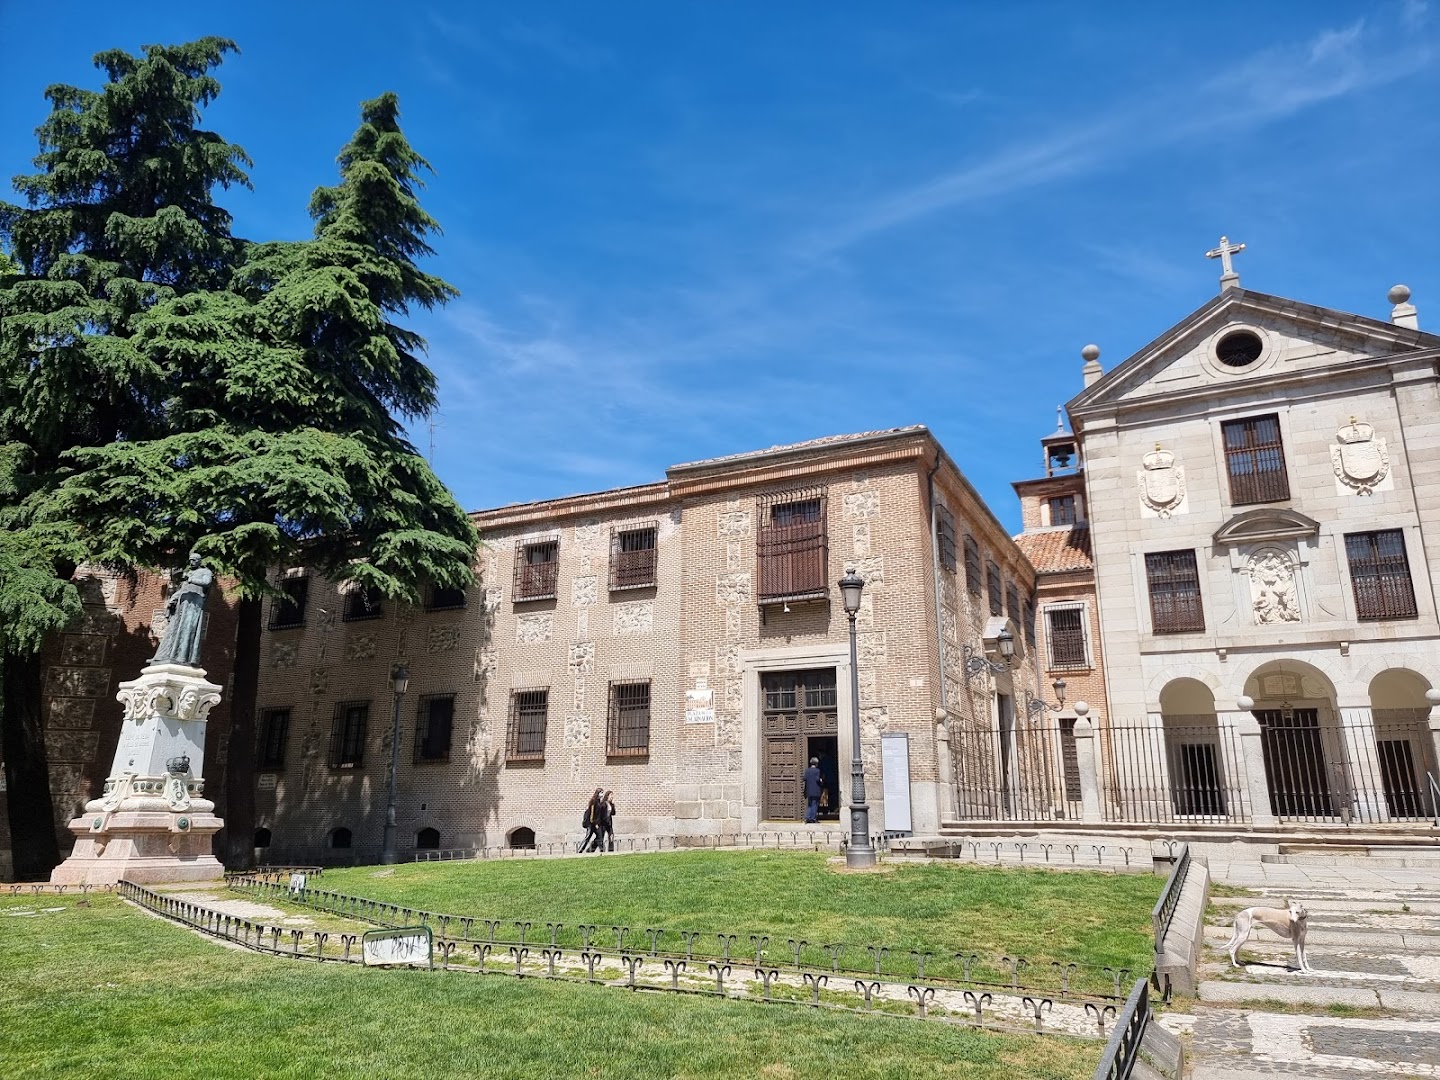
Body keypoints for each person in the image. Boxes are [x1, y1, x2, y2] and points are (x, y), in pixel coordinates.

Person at [151, 552, 214, 667]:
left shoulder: (205, 572)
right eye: (190, 560)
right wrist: (173, 599)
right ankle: (168, 655)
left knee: (188, 629)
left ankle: (183, 656)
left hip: (194, 605)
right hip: (182, 604)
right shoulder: (190, 573)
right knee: (174, 629)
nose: (191, 562)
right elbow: (183, 589)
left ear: (199, 561)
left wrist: (190, 579)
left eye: (194, 560)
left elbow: (207, 582)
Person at [580, 788, 604, 853]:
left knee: (600, 836)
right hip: (591, 824)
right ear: (597, 793)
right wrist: (595, 823)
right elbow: (592, 813)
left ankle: (601, 850)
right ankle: (580, 850)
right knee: (588, 837)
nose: (602, 794)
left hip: (596, 823)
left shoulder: (599, 801)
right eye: (601, 792)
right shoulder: (593, 801)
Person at [803, 757, 824, 823]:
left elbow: (804, 778)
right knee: (814, 804)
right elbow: (817, 779)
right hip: (815, 790)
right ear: (817, 764)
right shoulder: (817, 770)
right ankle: (813, 818)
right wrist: (821, 780)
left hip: (809, 790)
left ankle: (807, 817)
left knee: (810, 804)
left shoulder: (807, 770)